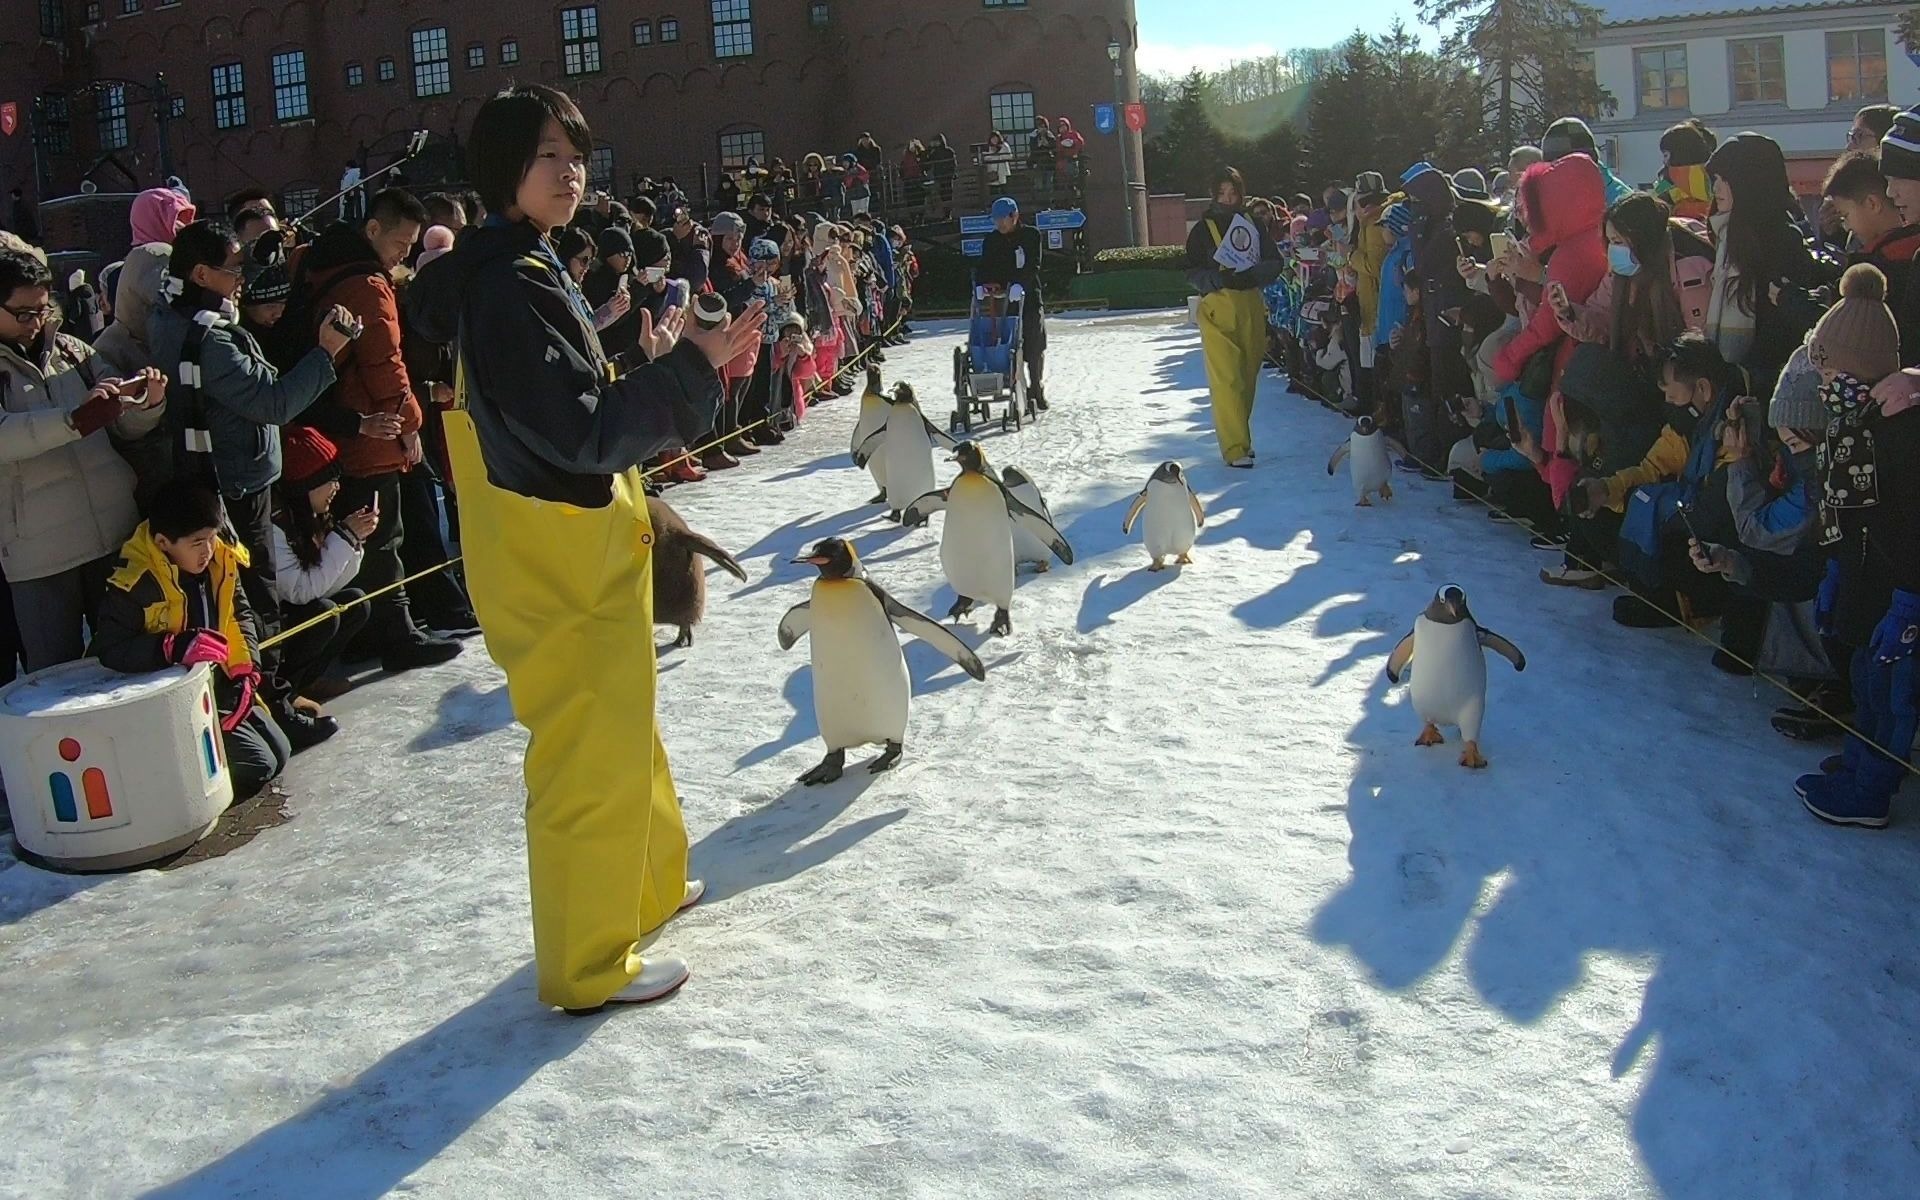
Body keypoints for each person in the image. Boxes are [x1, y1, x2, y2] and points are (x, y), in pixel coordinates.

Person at [408, 84, 766, 1011]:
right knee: (584, 760)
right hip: (555, 561)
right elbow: (580, 432)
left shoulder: (526, 265)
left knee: (625, 732)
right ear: (503, 172)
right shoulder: (504, 285)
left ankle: (641, 890)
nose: (568, 170)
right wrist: (694, 369)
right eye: (546, 155)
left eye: (575, 153)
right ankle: (586, 962)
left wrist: (680, 365)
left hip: (579, 550)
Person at [149, 219, 358, 748]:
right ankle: (269, 703)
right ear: (201, 273)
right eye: (233, 269)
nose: (242, 278)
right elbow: (274, 401)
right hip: (236, 486)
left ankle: (270, 695)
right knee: (254, 601)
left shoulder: (168, 316)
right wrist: (327, 350)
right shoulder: (211, 339)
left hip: (211, 476)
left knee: (237, 600)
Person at [284, 187, 459, 675]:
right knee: (382, 531)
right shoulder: (366, 284)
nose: (405, 254)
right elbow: (385, 361)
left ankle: (365, 635)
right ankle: (398, 633)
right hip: (371, 427)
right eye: (401, 243)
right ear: (374, 229)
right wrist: (409, 422)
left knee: (353, 529)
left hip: (334, 422)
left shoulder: (318, 264)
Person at [0, 248, 170, 674]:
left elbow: (120, 429)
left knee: (133, 666)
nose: (35, 323)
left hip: (115, 535)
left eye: (42, 309)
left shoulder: (73, 350)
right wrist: (73, 421)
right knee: (56, 684)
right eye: (22, 314)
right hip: (38, 555)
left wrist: (144, 403)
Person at [1796, 265, 1915, 826]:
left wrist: (1909, 596)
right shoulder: (1857, 424)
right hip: (1868, 577)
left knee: (1893, 690)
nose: (1823, 385)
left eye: (1830, 370)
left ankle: (1872, 788)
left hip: (1901, 586)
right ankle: (1860, 757)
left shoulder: (1898, 435)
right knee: (1868, 679)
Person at [92, 478, 289, 799]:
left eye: (212, 538)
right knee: (260, 765)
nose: (208, 549)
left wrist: (245, 671)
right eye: (197, 542)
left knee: (280, 753)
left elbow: (238, 615)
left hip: (218, 685)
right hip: (175, 701)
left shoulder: (220, 561)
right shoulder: (135, 583)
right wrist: (170, 647)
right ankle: (179, 788)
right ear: (163, 542)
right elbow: (110, 649)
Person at [1185, 167, 1283, 468]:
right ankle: (1234, 448)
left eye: (1233, 193)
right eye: (1222, 193)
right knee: (1226, 379)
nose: (1228, 199)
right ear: (1214, 194)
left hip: (1250, 303)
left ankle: (1241, 436)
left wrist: (1254, 274)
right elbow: (1190, 270)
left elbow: (1275, 260)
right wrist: (1214, 280)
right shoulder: (1203, 229)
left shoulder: (1252, 224)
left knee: (1247, 375)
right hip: (1217, 306)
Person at [269, 425, 373, 709]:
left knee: (355, 603)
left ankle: (309, 680)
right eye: (329, 479)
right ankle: (287, 690)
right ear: (306, 485)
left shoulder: (311, 516)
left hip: (298, 605)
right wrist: (344, 538)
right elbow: (301, 592)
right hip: (280, 617)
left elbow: (332, 584)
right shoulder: (276, 526)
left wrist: (352, 542)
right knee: (324, 614)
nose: (336, 488)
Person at [979, 196, 1052, 412]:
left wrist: (1021, 284)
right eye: (996, 220)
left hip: (1028, 298)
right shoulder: (992, 240)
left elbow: (1033, 265)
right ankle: (1013, 386)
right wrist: (980, 284)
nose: (1000, 224)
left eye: (1003, 219)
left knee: (1034, 345)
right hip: (1001, 301)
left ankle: (1036, 388)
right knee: (1007, 345)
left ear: (1015, 216)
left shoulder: (1031, 235)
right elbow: (984, 266)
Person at [1654, 120, 1717, 222]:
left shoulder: (1668, 179)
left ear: (1677, 153)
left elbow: (1654, 202)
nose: (1664, 161)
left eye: (1666, 155)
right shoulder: (1713, 173)